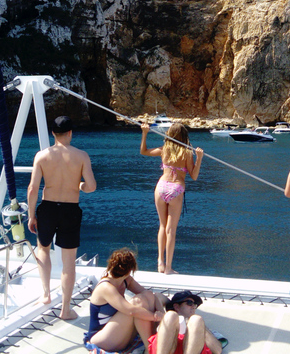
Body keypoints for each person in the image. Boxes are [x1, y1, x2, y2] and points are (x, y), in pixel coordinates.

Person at [27, 115, 97, 320]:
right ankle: (65, 310)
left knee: (43, 249)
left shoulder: (42, 156)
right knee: (68, 262)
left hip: (47, 208)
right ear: (70, 133)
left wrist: (32, 216)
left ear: (53, 134)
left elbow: (32, 189)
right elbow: (91, 187)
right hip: (70, 210)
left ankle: (46, 294)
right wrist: (79, 186)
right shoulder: (81, 156)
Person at [140, 122, 204, 274]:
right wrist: (199, 157)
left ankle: (160, 263)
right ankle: (168, 268)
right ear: (184, 137)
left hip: (161, 186)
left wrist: (145, 133)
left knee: (162, 226)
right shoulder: (187, 153)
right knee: (171, 230)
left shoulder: (164, 150)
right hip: (176, 188)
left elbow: (144, 151)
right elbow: (194, 176)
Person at [84, 248, 166, 353]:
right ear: (129, 270)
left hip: (118, 333)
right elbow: (131, 311)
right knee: (137, 303)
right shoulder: (105, 287)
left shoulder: (126, 281)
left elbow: (151, 296)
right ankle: (150, 349)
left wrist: (162, 315)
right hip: (102, 338)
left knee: (147, 295)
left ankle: (152, 343)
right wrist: (155, 317)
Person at [148, 290, 223, 354]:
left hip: (190, 347)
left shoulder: (200, 326)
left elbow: (217, 350)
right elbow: (158, 296)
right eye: (189, 303)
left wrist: (197, 325)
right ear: (177, 306)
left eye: (195, 304)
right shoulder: (167, 318)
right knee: (171, 315)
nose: (193, 306)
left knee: (196, 319)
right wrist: (172, 309)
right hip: (166, 347)